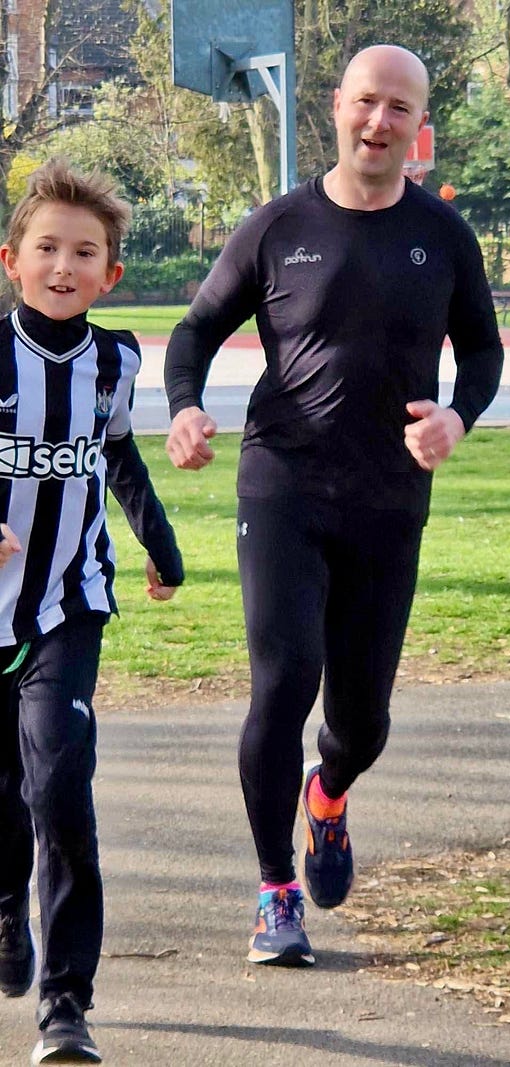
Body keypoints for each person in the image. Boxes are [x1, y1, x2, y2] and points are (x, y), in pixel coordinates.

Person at [164, 43, 503, 968]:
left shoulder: (443, 235)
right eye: (366, 101)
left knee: (363, 720)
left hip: (389, 498)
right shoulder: (279, 226)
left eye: (399, 108)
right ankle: (274, 889)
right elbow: (195, 330)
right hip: (283, 483)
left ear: (418, 124)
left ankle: (330, 793)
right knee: (284, 680)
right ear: (337, 106)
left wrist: (458, 416)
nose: (378, 121)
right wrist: (186, 406)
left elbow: (482, 350)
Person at [0, 159, 184, 1064]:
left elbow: (118, 454)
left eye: (84, 253)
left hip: (69, 603)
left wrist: (159, 541)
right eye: (47, 248)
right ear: (12, 261)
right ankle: (8, 907)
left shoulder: (115, 360)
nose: (63, 266)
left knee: (61, 785)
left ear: (109, 273)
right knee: (6, 794)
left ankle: (66, 1007)